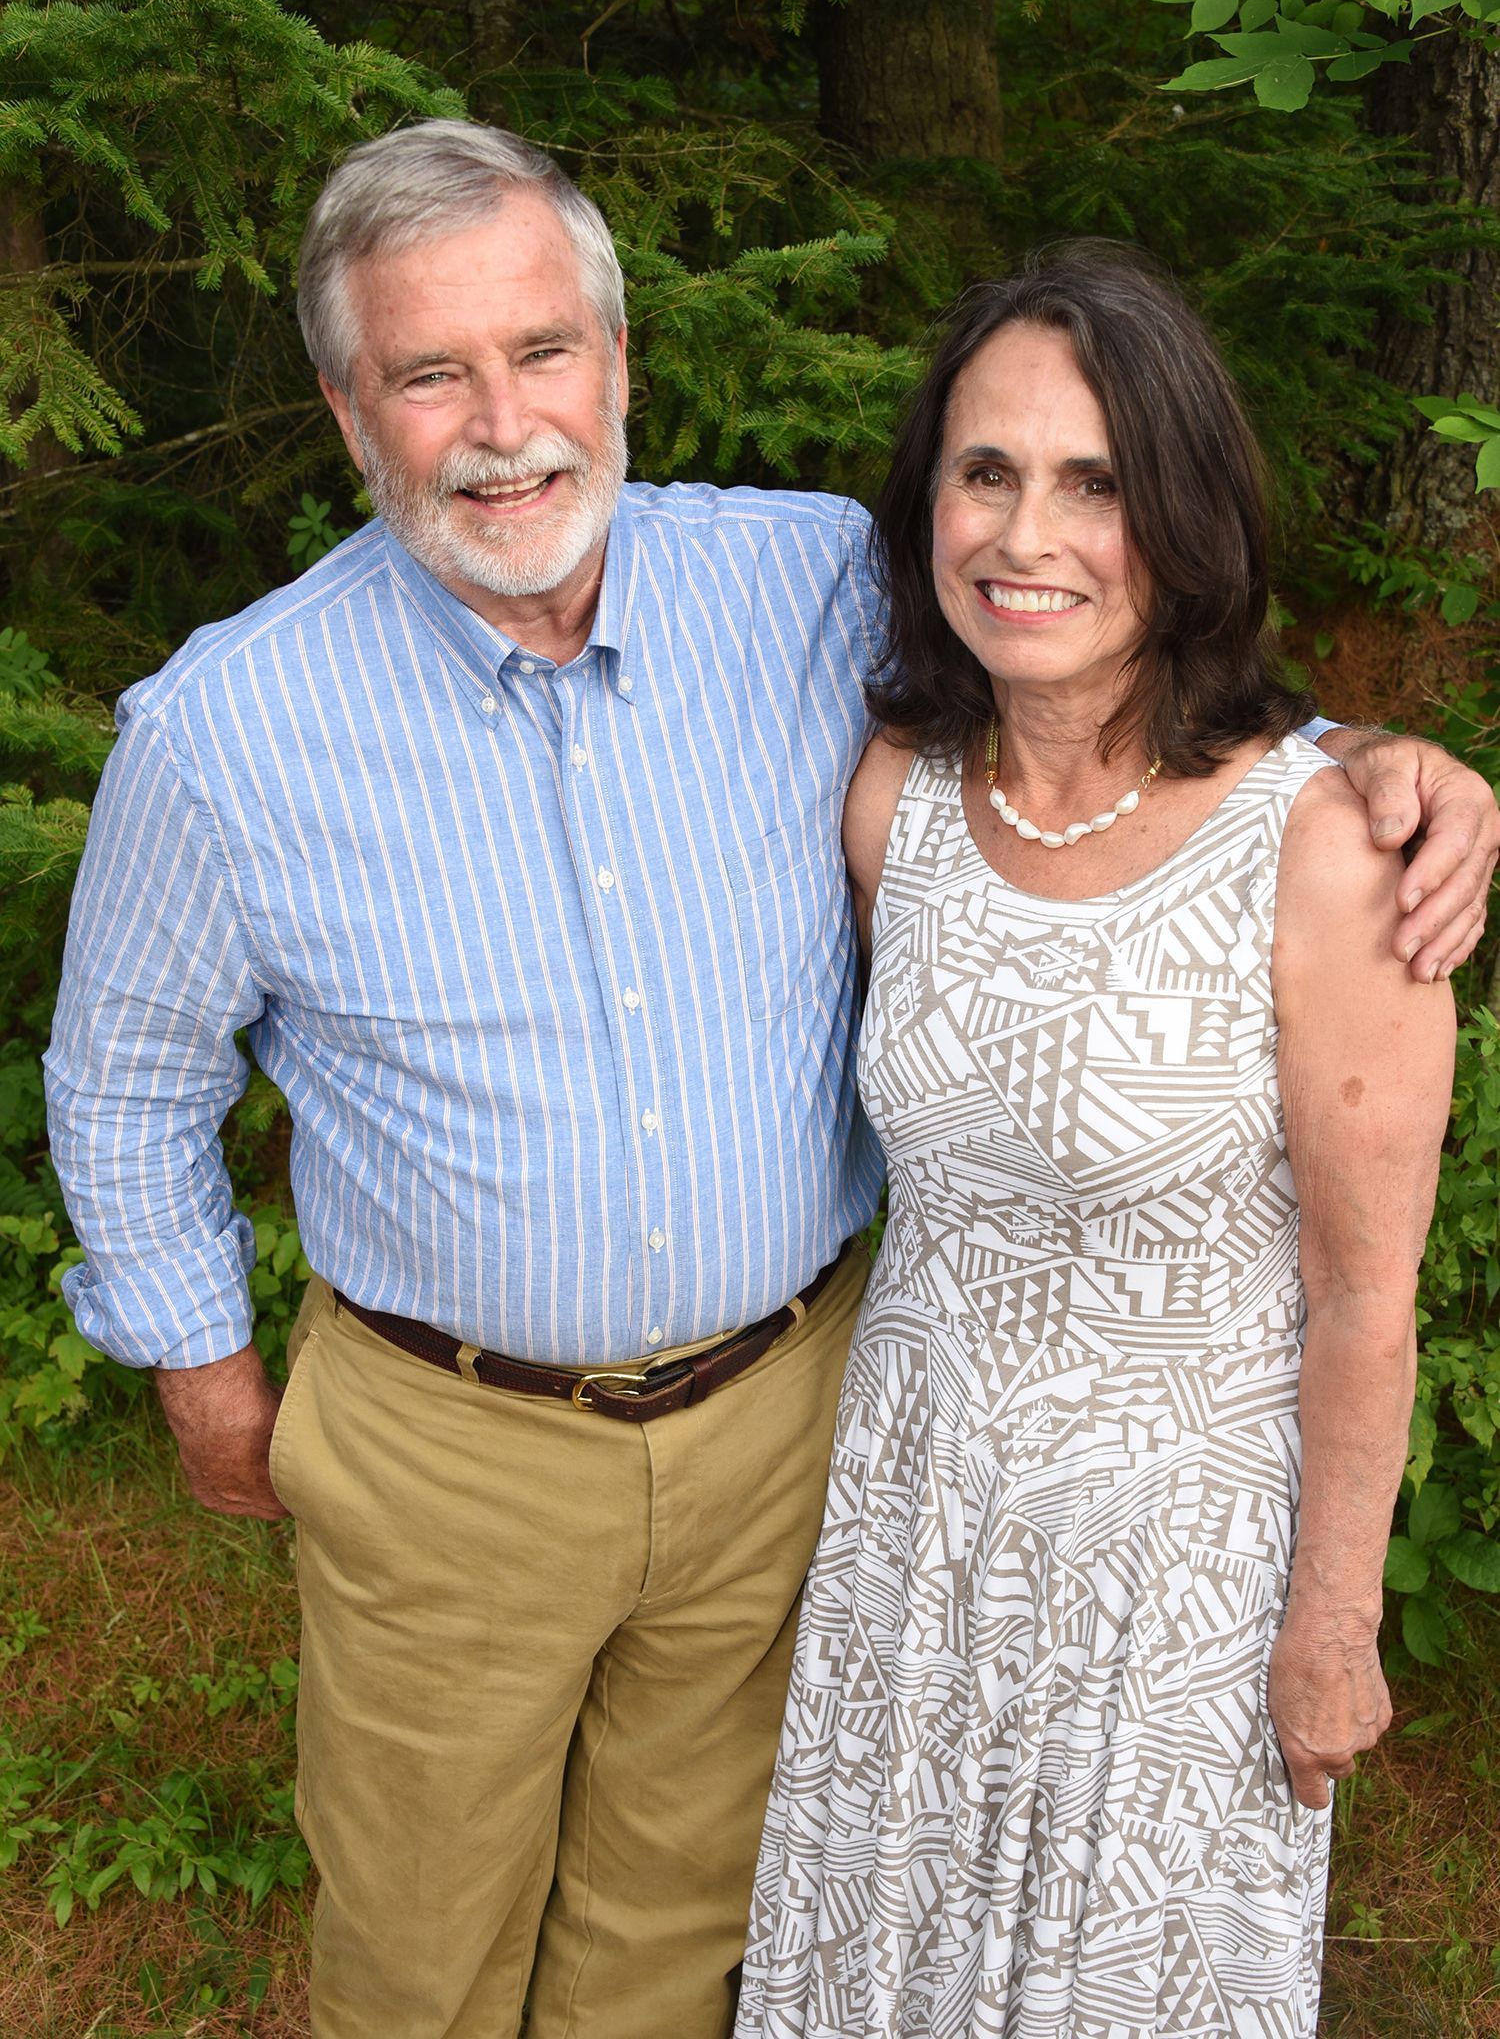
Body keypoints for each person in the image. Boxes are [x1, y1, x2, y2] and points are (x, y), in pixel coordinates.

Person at [42, 124, 1492, 2039]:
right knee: (418, 1964)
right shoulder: (222, 728)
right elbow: (124, 1078)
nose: (504, 424)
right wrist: (210, 1381)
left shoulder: (801, 587)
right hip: (456, 1452)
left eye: (544, 351)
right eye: (430, 372)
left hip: (784, 1432)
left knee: (676, 1937)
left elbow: (1099, 674)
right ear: (348, 408)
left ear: (619, 364)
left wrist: (1371, 758)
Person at [735, 246, 1459, 2039]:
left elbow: (1367, 1300)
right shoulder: (893, 798)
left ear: (1185, 514)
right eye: (988, 473)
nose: (1025, 534)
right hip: (914, 1518)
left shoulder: (1326, 850)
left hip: (1173, 1577)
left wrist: (1334, 1624)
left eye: (1095, 483)